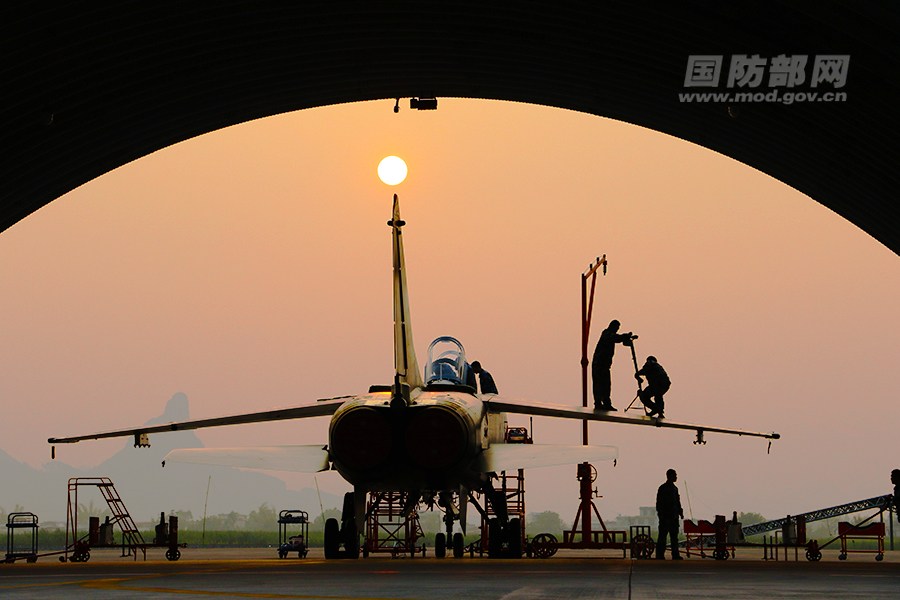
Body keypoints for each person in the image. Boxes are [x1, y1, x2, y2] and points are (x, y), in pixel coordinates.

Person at [592, 319, 633, 411]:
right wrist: (624, 336)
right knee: (599, 384)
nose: (617, 329)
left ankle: (606, 404)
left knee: (606, 385)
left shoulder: (610, 335)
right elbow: (614, 338)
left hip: (604, 365)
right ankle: (598, 403)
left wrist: (624, 337)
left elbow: (617, 338)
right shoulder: (606, 334)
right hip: (599, 365)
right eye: (617, 327)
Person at [656, 468, 684, 560]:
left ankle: (671, 555)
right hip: (667, 517)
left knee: (672, 537)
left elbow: (677, 502)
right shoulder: (664, 488)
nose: (676, 477)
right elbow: (659, 503)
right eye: (675, 475)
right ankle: (663, 555)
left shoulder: (673, 489)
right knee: (664, 537)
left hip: (672, 517)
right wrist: (661, 515)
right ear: (670, 476)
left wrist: (680, 512)